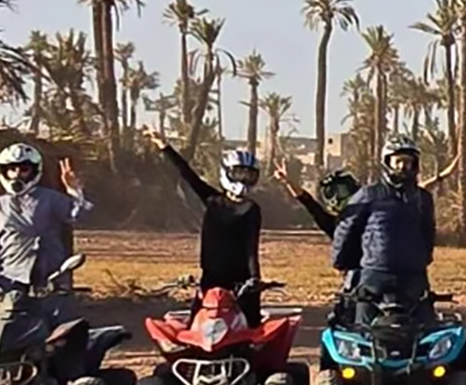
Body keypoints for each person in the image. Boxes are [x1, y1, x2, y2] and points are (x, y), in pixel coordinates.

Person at [148, 130, 266, 323]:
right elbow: (187, 173)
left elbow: (251, 248)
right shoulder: (213, 200)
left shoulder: (251, 209)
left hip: (242, 281)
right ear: (226, 173)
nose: (243, 180)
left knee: (251, 326)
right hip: (211, 277)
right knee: (196, 324)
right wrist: (165, 146)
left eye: (248, 175)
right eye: (238, 174)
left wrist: (255, 279)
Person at [330, 137, 440, 318]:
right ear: (388, 163)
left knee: (424, 329)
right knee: (363, 330)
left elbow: (429, 232)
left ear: (416, 165)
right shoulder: (368, 194)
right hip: (375, 273)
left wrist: (424, 258)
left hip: (414, 276)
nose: (403, 167)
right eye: (398, 162)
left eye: (408, 162)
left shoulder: (423, 198)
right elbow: (346, 227)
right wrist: (341, 262)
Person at [0, 142, 89, 298]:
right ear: (4, 171)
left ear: (34, 171)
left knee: (54, 320)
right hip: (10, 278)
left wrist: (74, 190)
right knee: (7, 320)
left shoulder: (50, 198)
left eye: (24, 170)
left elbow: (79, 216)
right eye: (12, 169)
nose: (17, 174)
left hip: (50, 276)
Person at [276, 158, 358, 239]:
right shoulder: (334, 225)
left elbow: (308, 201)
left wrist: (288, 182)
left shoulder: (335, 226)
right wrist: (288, 182)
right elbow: (307, 201)